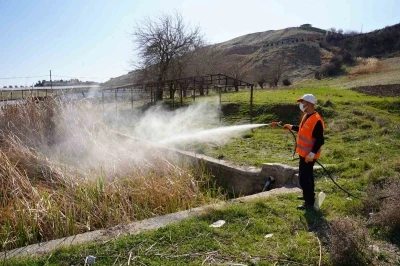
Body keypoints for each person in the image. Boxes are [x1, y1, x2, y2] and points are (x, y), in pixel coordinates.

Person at [282, 94, 325, 210]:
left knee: (304, 178)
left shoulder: (316, 120)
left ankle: (309, 202)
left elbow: (320, 140)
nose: (301, 104)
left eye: (303, 102)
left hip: (309, 155)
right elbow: (302, 130)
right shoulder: (307, 116)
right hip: (304, 154)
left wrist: (311, 154)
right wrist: (291, 127)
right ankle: (309, 195)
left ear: (310, 104)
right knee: (308, 176)